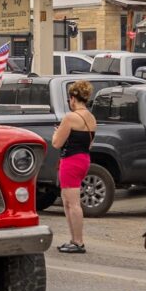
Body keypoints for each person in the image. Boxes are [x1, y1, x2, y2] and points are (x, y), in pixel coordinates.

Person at [52, 79, 95, 254]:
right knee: (68, 201)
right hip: (83, 158)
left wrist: (56, 132)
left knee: (73, 203)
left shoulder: (70, 117)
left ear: (72, 98)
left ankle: (78, 241)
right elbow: (90, 143)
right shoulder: (91, 117)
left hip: (70, 160)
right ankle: (74, 240)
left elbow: (56, 143)